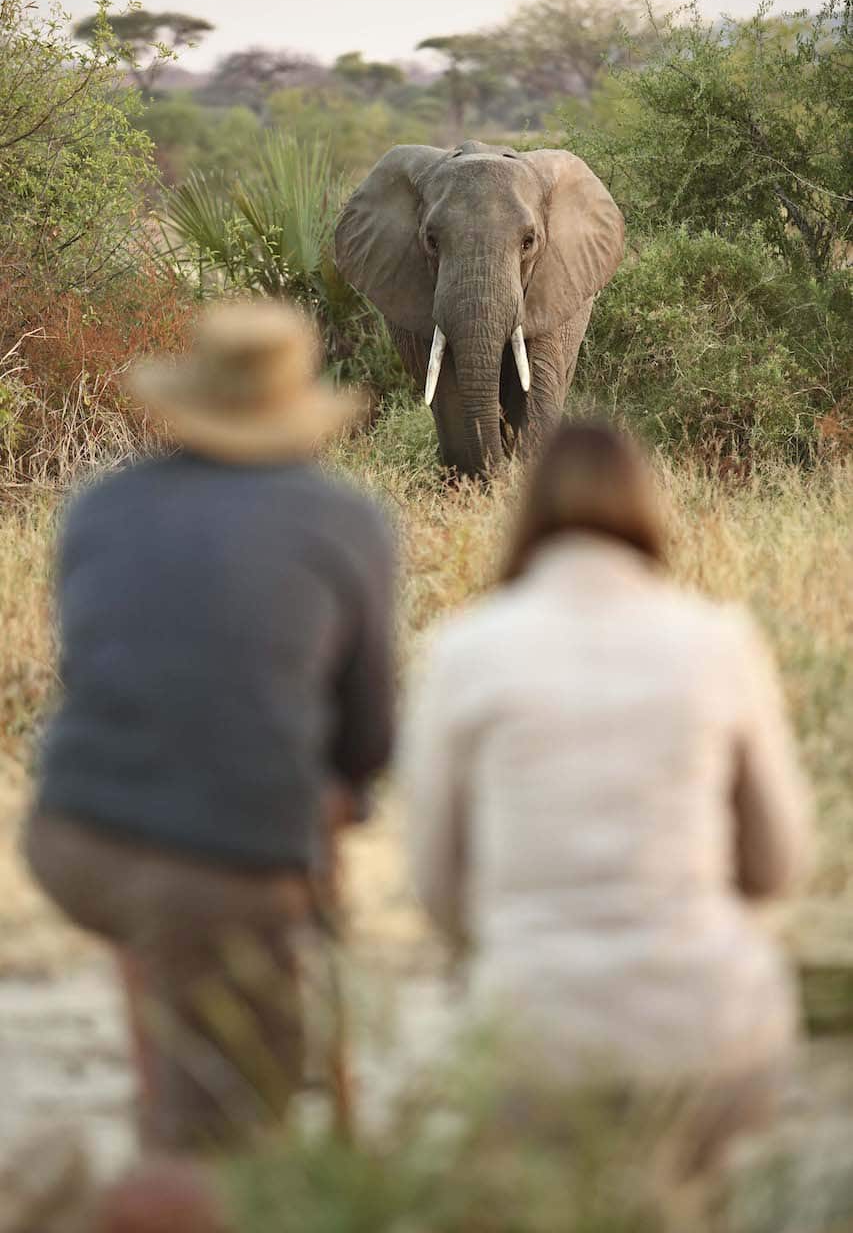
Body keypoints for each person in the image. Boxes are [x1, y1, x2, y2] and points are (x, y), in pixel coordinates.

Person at [25, 299, 395, 1154]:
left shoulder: (102, 502)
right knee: (239, 1122)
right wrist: (339, 800)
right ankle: (183, 1153)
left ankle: (161, 1097)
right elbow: (368, 734)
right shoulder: (340, 517)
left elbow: (91, 668)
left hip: (73, 837)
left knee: (171, 936)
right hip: (227, 857)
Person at [399, 418, 812, 1173]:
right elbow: (779, 863)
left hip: (533, 1041)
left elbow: (434, 887)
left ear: (524, 512)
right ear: (646, 506)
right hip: (710, 1037)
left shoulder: (461, 649)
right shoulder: (720, 640)